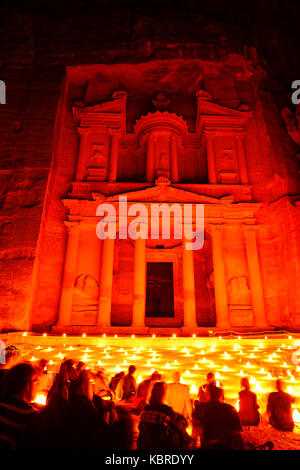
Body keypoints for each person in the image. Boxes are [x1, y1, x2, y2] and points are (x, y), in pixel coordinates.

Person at [137, 381, 192, 450]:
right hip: (161, 445)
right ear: (164, 394)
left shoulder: (145, 410)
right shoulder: (167, 411)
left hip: (144, 445)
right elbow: (180, 428)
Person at [0, 363, 39, 449]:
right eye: (36, 381)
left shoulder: (2, 401)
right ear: (27, 384)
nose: (38, 385)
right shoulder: (29, 413)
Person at [201, 383, 244, 450]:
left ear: (208, 395)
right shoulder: (230, 409)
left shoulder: (203, 410)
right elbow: (238, 432)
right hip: (226, 446)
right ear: (221, 395)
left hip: (209, 445)